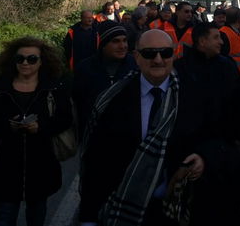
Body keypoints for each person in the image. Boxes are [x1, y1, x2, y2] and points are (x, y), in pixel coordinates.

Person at [80, 29, 218, 226]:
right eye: (149, 53)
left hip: (174, 208)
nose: (158, 60)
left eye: (165, 53)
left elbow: (214, 137)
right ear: (136, 57)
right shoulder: (112, 99)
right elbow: (96, 162)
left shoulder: (195, 95)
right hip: (121, 204)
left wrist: (203, 157)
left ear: (175, 54)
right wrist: (88, 218)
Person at [0, 37, 73, 226]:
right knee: (4, 217)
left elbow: (65, 119)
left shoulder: (53, 88)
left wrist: (41, 127)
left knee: (36, 215)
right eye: (20, 58)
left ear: (41, 61)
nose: (25, 63)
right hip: (5, 164)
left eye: (31, 59)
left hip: (42, 162)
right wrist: (7, 126)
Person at [174, 23, 240, 225]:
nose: (221, 41)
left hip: (224, 147)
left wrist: (237, 136)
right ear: (202, 41)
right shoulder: (181, 68)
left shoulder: (227, 65)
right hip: (192, 149)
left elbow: (238, 103)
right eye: (216, 37)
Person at [73, 22, 135, 136]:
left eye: (124, 40)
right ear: (103, 44)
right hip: (93, 135)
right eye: (115, 41)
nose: (123, 46)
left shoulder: (135, 66)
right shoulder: (85, 69)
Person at [219, 8, 240, 145]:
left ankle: (238, 135)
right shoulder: (225, 34)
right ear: (239, 19)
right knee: (233, 109)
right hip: (231, 79)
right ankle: (233, 137)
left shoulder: (236, 33)